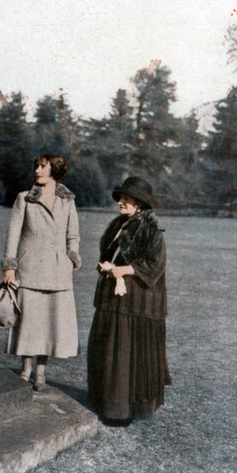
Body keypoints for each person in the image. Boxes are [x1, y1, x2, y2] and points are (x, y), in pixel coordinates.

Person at [87, 176, 171, 426]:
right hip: (112, 300)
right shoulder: (117, 225)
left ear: (140, 204)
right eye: (121, 198)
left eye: (127, 199)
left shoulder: (151, 230)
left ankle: (121, 410)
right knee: (109, 351)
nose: (121, 202)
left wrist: (121, 271)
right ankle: (106, 402)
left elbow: (154, 266)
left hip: (137, 303)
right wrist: (106, 266)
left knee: (125, 355)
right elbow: (108, 252)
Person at [2, 153, 81, 391]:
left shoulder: (67, 201)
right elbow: (13, 235)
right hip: (30, 270)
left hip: (58, 272)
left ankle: (41, 373)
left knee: (50, 323)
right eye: (36, 165)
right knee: (29, 322)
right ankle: (26, 370)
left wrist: (71, 259)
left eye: (43, 166)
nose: (37, 170)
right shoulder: (24, 199)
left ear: (54, 171)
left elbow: (73, 235)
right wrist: (9, 266)